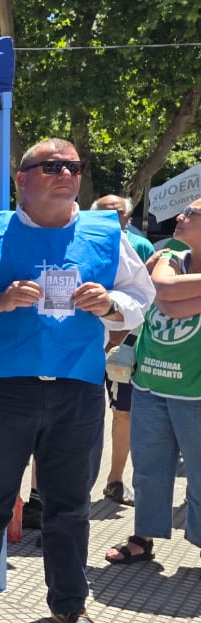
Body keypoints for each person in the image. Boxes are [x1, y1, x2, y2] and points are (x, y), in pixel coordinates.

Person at [0, 139, 153, 623]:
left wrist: (110, 304)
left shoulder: (106, 233)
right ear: (22, 178)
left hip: (77, 388)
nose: (66, 174)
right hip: (2, 387)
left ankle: (69, 603)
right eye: (52, 166)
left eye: (74, 167)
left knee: (69, 504)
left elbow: (141, 297)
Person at [105, 200, 201, 564]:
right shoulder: (169, 256)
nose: (180, 217)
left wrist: (172, 295)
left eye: (192, 214)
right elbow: (162, 291)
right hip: (149, 385)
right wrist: (169, 294)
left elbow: (169, 300)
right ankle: (142, 538)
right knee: (148, 470)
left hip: (195, 394)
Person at [92, 194, 154, 506]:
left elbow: (145, 297)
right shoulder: (81, 240)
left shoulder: (141, 247)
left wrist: (117, 340)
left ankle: (115, 480)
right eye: (103, 212)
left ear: (128, 217)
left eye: (117, 212)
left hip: (125, 347)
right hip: (85, 347)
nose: (110, 217)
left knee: (123, 414)